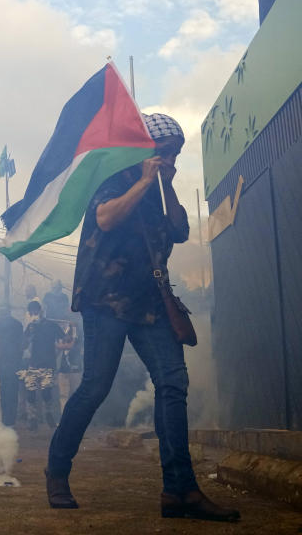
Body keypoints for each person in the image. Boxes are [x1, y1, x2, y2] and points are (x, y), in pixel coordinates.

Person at [45, 113, 239, 521]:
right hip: (107, 300)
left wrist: (165, 184)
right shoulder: (115, 177)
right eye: (166, 151)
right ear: (146, 148)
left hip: (150, 302)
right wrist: (145, 180)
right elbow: (105, 217)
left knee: (173, 382)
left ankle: (180, 491)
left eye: (176, 153)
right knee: (95, 386)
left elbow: (180, 230)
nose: (172, 158)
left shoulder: (160, 189)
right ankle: (58, 470)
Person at [18, 301, 72, 431]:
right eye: (31, 312)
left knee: (46, 392)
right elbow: (23, 345)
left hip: (48, 364)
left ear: (41, 311)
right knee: (30, 393)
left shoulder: (51, 325)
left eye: (35, 311)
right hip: (33, 364)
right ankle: (32, 418)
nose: (33, 314)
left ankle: (48, 414)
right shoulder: (30, 327)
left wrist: (71, 330)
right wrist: (29, 336)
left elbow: (65, 339)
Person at [0, 306, 24, 427]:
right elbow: (22, 343)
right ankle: (11, 419)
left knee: (3, 388)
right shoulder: (18, 324)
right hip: (15, 360)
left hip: (3, 360)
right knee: (13, 389)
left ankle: (5, 419)